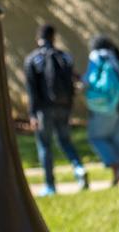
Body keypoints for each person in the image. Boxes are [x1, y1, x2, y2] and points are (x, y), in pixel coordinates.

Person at [23, 24, 89, 196]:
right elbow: (72, 84)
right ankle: (79, 168)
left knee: (45, 146)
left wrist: (32, 114)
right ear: (54, 37)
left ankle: (50, 186)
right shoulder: (65, 57)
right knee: (65, 141)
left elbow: (32, 90)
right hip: (63, 108)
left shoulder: (32, 60)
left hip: (43, 110)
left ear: (38, 38)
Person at [84, 35, 119, 186]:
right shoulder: (117, 56)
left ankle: (115, 166)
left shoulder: (97, 56)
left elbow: (90, 79)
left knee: (96, 137)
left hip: (108, 101)